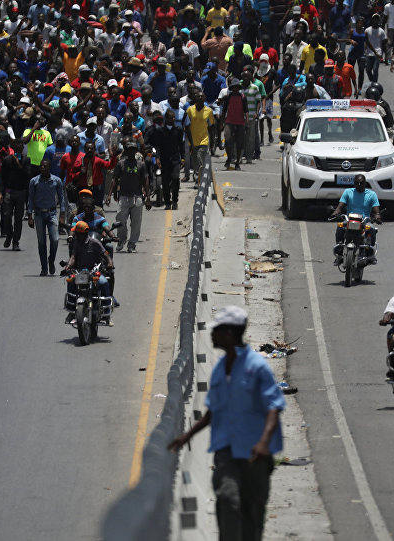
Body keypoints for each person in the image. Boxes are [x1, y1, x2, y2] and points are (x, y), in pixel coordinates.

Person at [167, 305, 285, 541]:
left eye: (216, 331)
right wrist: (187, 435)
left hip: (256, 455)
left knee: (252, 516)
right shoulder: (221, 368)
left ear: (230, 334)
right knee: (228, 499)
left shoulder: (257, 367)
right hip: (227, 451)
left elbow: (273, 407)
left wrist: (263, 443)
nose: (212, 335)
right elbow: (215, 410)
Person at [60, 220, 115, 323]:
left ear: (83, 233)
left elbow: (106, 254)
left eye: (76, 232)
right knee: (71, 282)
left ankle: (107, 314)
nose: (75, 234)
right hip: (81, 273)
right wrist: (67, 266)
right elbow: (73, 257)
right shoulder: (76, 243)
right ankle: (71, 311)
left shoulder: (95, 243)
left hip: (94, 272)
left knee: (104, 283)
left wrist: (109, 262)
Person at [107, 142, 151, 253]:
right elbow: (114, 179)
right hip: (123, 197)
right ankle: (122, 239)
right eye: (128, 150)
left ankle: (132, 245)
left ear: (136, 151)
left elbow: (146, 181)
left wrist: (148, 198)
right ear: (125, 152)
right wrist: (109, 195)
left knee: (136, 223)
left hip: (137, 197)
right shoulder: (120, 164)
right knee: (120, 219)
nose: (131, 152)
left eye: (133, 149)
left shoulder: (141, 165)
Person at [328, 174, 381, 265]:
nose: (359, 185)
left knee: (372, 229)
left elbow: (376, 211)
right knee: (340, 226)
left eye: (361, 183)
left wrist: (377, 216)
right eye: (357, 183)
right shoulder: (348, 192)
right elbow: (340, 206)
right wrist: (336, 212)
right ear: (354, 183)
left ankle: (370, 253)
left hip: (365, 220)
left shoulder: (372, 194)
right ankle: (340, 251)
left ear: (365, 183)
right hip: (350, 219)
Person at [27, 160, 66, 276]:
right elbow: (30, 198)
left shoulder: (56, 181)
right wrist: (30, 215)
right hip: (38, 214)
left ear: (50, 167)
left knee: (55, 239)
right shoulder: (34, 181)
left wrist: (62, 214)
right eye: (41, 166)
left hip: (52, 213)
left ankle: (51, 259)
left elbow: (61, 197)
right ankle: (44, 267)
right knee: (41, 242)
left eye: (45, 166)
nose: (42, 168)